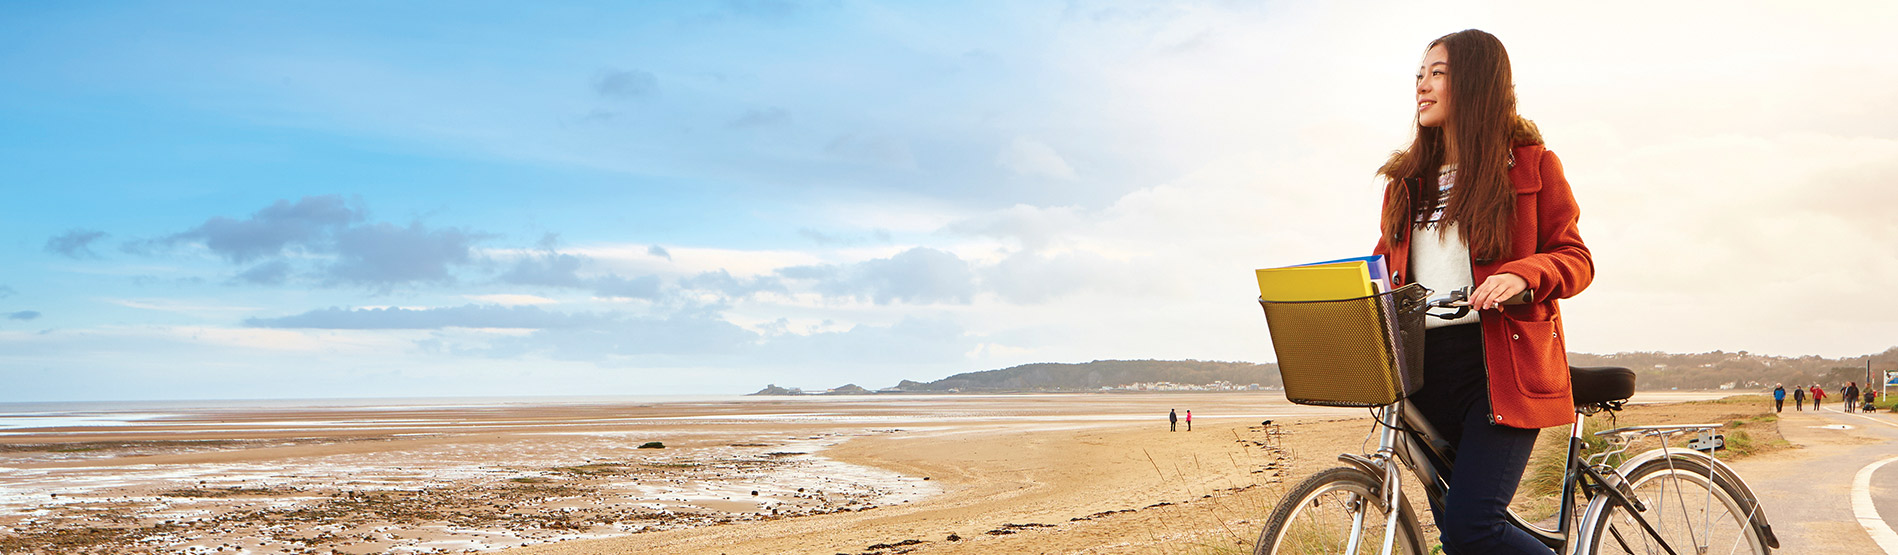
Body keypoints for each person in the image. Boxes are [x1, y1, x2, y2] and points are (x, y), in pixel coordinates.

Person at [1370, 29, 1591, 555]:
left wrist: (1524, 275)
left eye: (1437, 74)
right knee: (1461, 536)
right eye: (1418, 75)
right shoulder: (1406, 183)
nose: (1422, 86)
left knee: (1472, 530)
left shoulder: (1532, 166)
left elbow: (1575, 259)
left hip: (1500, 370)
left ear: (1475, 83)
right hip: (1423, 375)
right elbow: (1380, 270)